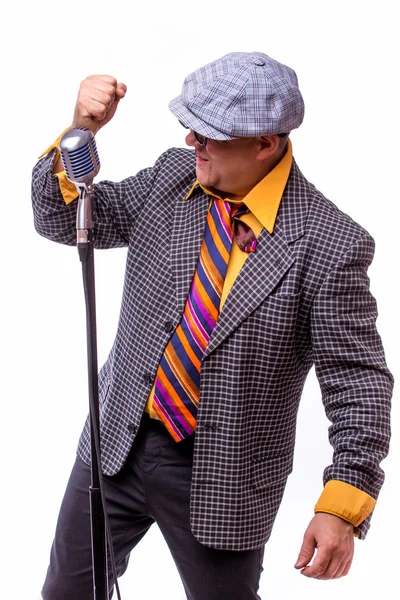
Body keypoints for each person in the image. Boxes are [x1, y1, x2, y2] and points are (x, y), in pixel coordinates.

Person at [32, 51, 393, 599]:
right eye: (189, 129)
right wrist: (80, 131)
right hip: (117, 442)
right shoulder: (173, 180)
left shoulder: (330, 242)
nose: (189, 144)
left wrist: (344, 502)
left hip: (224, 477)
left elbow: (359, 380)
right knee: (66, 592)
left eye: (207, 136)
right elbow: (60, 218)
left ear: (265, 144)